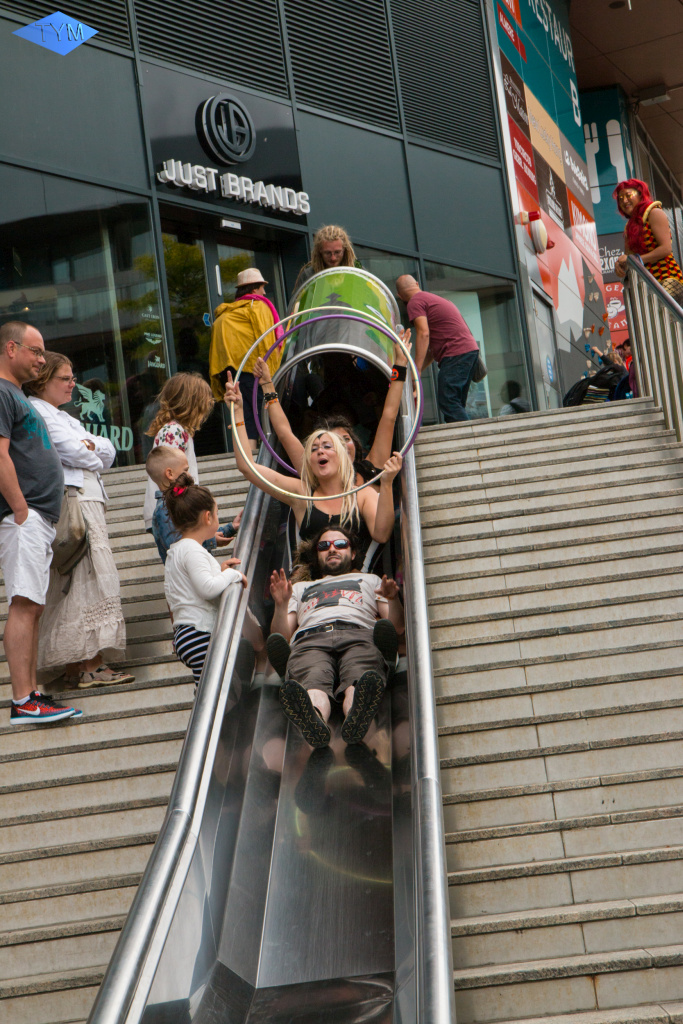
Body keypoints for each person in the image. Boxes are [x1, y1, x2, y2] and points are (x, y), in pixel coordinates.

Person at [24, 352, 132, 689]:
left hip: (85, 497)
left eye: (73, 378)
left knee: (81, 580)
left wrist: (91, 449)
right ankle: (90, 664)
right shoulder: (39, 411)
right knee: (86, 577)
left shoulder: (60, 414)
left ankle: (77, 664)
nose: (73, 384)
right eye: (66, 378)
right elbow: (72, 451)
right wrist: (92, 451)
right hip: (76, 502)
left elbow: (107, 450)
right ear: (44, 381)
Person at [0, 323, 80, 723]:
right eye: (35, 351)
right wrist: (21, 509)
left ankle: (31, 695)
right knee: (24, 603)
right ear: (10, 348)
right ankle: (22, 699)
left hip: (37, 517)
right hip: (25, 516)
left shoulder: (15, 393)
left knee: (32, 605)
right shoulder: (1, 392)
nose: (42, 360)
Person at [224, 372, 401, 550]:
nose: (320, 451)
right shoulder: (302, 493)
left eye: (327, 446)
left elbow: (382, 534)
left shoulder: (363, 494)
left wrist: (386, 484)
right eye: (314, 449)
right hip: (311, 569)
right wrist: (238, 413)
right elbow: (248, 466)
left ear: (342, 455)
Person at [267, 526, 404, 748]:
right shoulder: (300, 588)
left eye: (340, 544)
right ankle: (315, 719)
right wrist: (281, 605)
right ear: (316, 555)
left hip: (359, 633)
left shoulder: (370, 580)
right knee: (312, 679)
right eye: (324, 546)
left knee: (360, 674)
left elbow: (397, 627)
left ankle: (356, 715)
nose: (332, 549)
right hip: (310, 639)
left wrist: (394, 599)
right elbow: (282, 635)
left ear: (353, 553)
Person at [252, 328, 412, 486]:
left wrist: (400, 364)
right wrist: (267, 385)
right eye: (333, 442)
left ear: (356, 445)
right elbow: (284, 433)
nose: (343, 445)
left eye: (346, 439)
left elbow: (389, 415)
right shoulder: (315, 480)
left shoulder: (371, 468)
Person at [163, 473, 247, 688]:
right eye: (217, 514)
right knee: (216, 687)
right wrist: (233, 575)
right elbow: (208, 589)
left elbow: (192, 588)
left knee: (206, 690)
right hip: (199, 632)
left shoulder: (177, 550)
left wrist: (220, 570)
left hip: (186, 634)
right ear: (208, 517)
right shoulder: (193, 550)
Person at [209, 268, 284, 453]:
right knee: (265, 413)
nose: (264, 292)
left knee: (245, 417)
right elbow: (266, 340)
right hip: (254, 371)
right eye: (262, 287)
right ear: (254, 288)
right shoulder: (257, 307)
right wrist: (270, 370)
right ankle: (269, 456)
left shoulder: (226, 315)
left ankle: (249, 458)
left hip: (231, 373)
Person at [395, 275, 480, 423]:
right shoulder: (433, 299)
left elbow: (423, 333)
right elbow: (431, 350)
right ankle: (464, 432)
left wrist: (417, 370)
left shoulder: (415, 302)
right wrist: (416, 370)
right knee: (455, 403)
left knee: (448, 400)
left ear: (399, 295)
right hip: (468, 351)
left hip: (456, 353)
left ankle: (470, 436)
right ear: (417, 284)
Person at [142, 373, 215, 534]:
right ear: (191, 404)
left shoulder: (178, 430)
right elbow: (172, 476)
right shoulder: (174, 431)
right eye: (203, 402)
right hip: (172, 512)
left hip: (173, 510)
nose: (208, 405)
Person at [145, 445, 241, 564]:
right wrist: (211, 540)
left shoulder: (180, 502)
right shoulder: (164, 509)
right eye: (185, 470)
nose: (189, 475)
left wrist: (231, 527)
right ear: (170, 473)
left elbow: (198, 531)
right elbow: (177, 545)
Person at [613, 179, 683, 306]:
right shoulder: (629, 227)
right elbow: (630, 259)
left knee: (661, 308)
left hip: (668, 279)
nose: (624, 201)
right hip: (648, 288)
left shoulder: (654, 213)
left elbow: (666, 248)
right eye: (620, 198)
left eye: (628, 195)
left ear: (640, 194)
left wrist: (636, 260)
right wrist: (621, 266)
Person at [294, 225, 360, 292]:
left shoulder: (358, 273)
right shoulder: (309, 276)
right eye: (327, 253)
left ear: (344, 250)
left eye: (337, 252)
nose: (333, 258)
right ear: (320, 251)